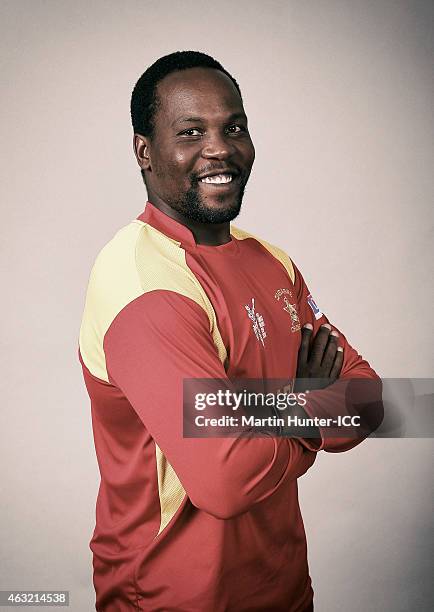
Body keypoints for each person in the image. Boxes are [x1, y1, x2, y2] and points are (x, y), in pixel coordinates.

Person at [78, 51, 382, 612]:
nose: (220, 149)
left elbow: (367, 398)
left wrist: (258, 417)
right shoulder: (143, 283)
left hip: (285, 588)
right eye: (191, 132)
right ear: (145, 151)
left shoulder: (272, 261)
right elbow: (225, 482)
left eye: (233, 127)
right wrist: (304, 400)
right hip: (170, 597)